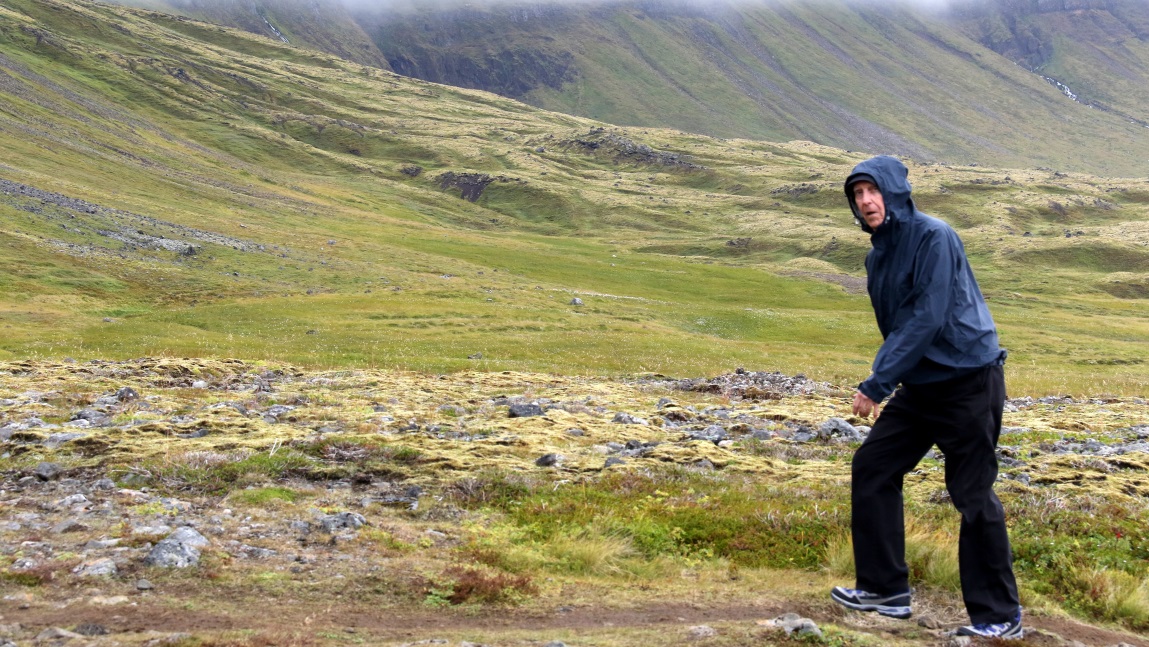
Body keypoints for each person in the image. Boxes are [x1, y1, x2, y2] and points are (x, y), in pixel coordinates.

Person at [829, 155, 1023, 640]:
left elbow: (927, 316)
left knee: (971, 494)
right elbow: (897, 325)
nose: (866, 201)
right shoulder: (877, 255)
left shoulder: (935, 236)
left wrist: (877, 382)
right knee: (873, 466)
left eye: (873, 191)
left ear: (894, 192)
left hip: (968, 383)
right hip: (921, 387)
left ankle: (1000, 616)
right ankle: (884, 590)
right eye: (857, 194)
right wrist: (894, 375)